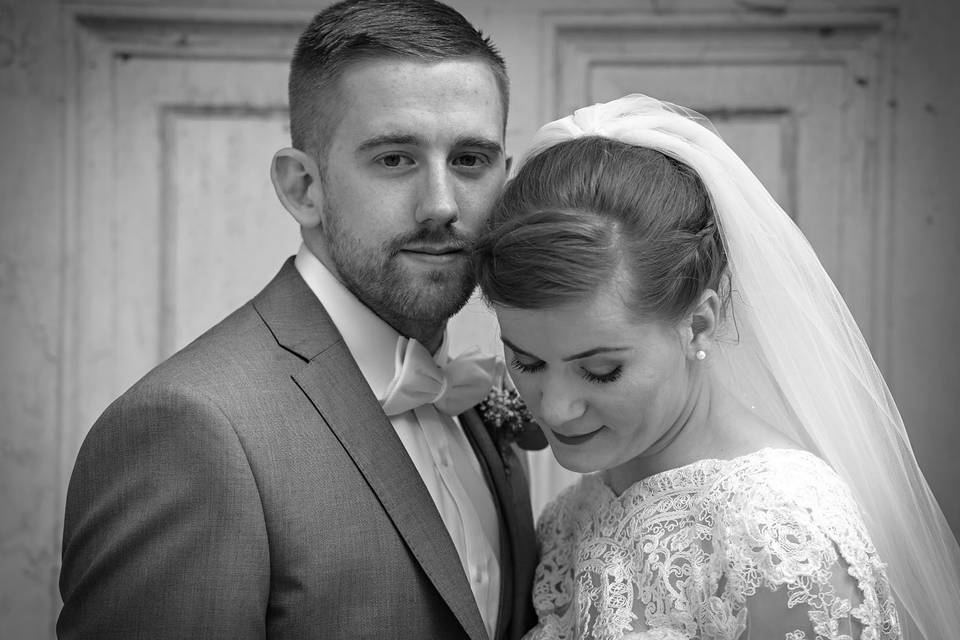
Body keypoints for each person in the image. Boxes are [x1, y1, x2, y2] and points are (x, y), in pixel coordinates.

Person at [57, 1, 538, 638]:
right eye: (395, 158)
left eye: (470, 160)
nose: (442, 205)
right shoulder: (191, 429)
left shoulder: (487, 402)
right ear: (302, 187)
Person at [473, 94, 960, 639]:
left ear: (698, 324)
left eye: (602, 369)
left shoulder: (775, 529)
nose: (556, 408)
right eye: (527, 361)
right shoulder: (576, 510)